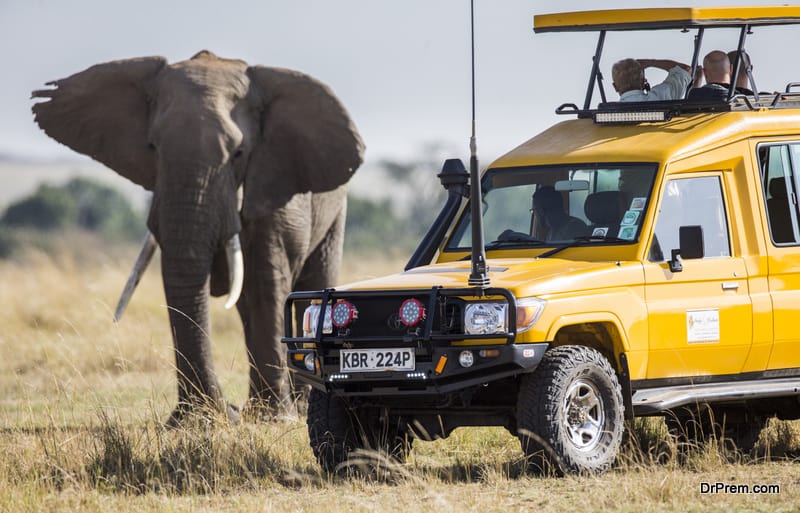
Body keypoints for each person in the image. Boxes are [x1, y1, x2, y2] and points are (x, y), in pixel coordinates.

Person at [612, 58, 693, 102]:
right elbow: (685, 69)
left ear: (615, 87)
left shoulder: (610, 114)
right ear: (644, 82)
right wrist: (652, 62)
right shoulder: (660, 96)